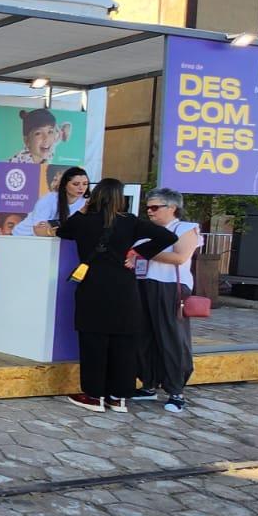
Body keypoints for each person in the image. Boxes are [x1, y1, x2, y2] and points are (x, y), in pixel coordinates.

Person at [54, 178, 176, 413]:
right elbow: (168, 237)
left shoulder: (84, 221)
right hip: (124, 289)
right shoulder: (129, 221)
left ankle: (94, 396)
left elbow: (63, 231)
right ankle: (118, 397)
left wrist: (83, 209)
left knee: (94, 342)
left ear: (95, 196)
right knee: (124, 344)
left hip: (93, 286)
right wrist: (138, 252)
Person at [132, 188, 201, 413]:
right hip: (144, 282)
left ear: (172, 208)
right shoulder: (147, 230)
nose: (150, 212)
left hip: (170, 286)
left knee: (172, 337)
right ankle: (148, 383)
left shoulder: (185, 228)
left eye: (155, 207)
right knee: (144, 335)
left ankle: (176, 391)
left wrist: (143, 252)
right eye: (148, 208)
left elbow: (180, 256)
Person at [12, 166, 89, 237]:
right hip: (23, 237)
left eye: (85, 184)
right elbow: (39, 230)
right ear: (64, 185)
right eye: (76, 184)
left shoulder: (86, 202)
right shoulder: (48, 200)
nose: (81, 188)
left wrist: (51, 225)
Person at [5, 107, 73, 165]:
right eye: (38, 133)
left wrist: (63, 131)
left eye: (50, 132)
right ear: (27, 140)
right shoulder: (17, 163)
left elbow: (65, 127)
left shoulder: (51, 145)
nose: (46, 138)